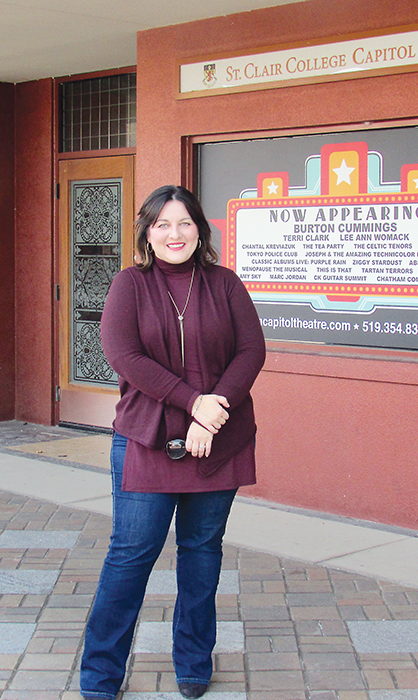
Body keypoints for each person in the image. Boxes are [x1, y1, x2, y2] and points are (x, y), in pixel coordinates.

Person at [80, 185, 266, 700]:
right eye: (162, 224)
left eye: (184, 223)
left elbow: (251, 350)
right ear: (147, 233)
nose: (174, 234)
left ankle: (192, 664)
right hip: (145, 441)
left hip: (217, 441)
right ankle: (99, 675)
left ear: (200, 230)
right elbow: (126, 356)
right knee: (130, 555)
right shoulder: (128, 285)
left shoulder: (225, 284)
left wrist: (211, 415)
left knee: (202, 552)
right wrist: (193, 402)